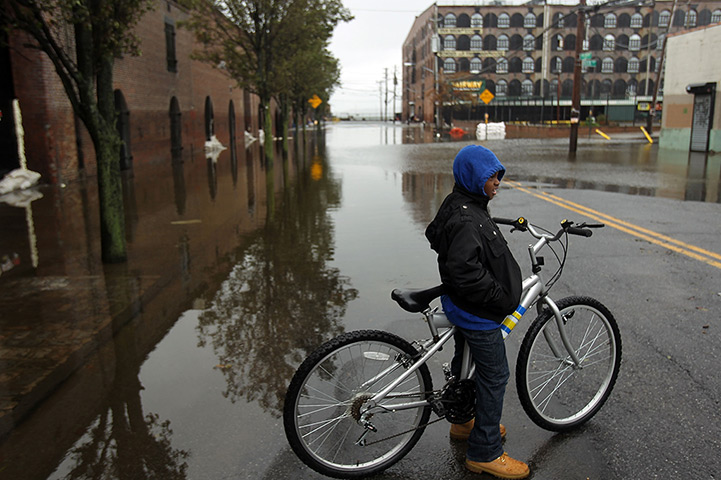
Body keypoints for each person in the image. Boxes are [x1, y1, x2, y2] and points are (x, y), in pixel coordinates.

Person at [425, 145, 529, 479]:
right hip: (475, 311)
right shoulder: (468, 218)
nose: (498, 181)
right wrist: (500, 297)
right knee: (495, 374)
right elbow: (465, 271)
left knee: (465, 363)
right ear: (473, 178)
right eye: (491, 176)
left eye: (499, 174)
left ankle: (462, 422)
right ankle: (485, 451)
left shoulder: (464, 203)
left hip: (461, 305)